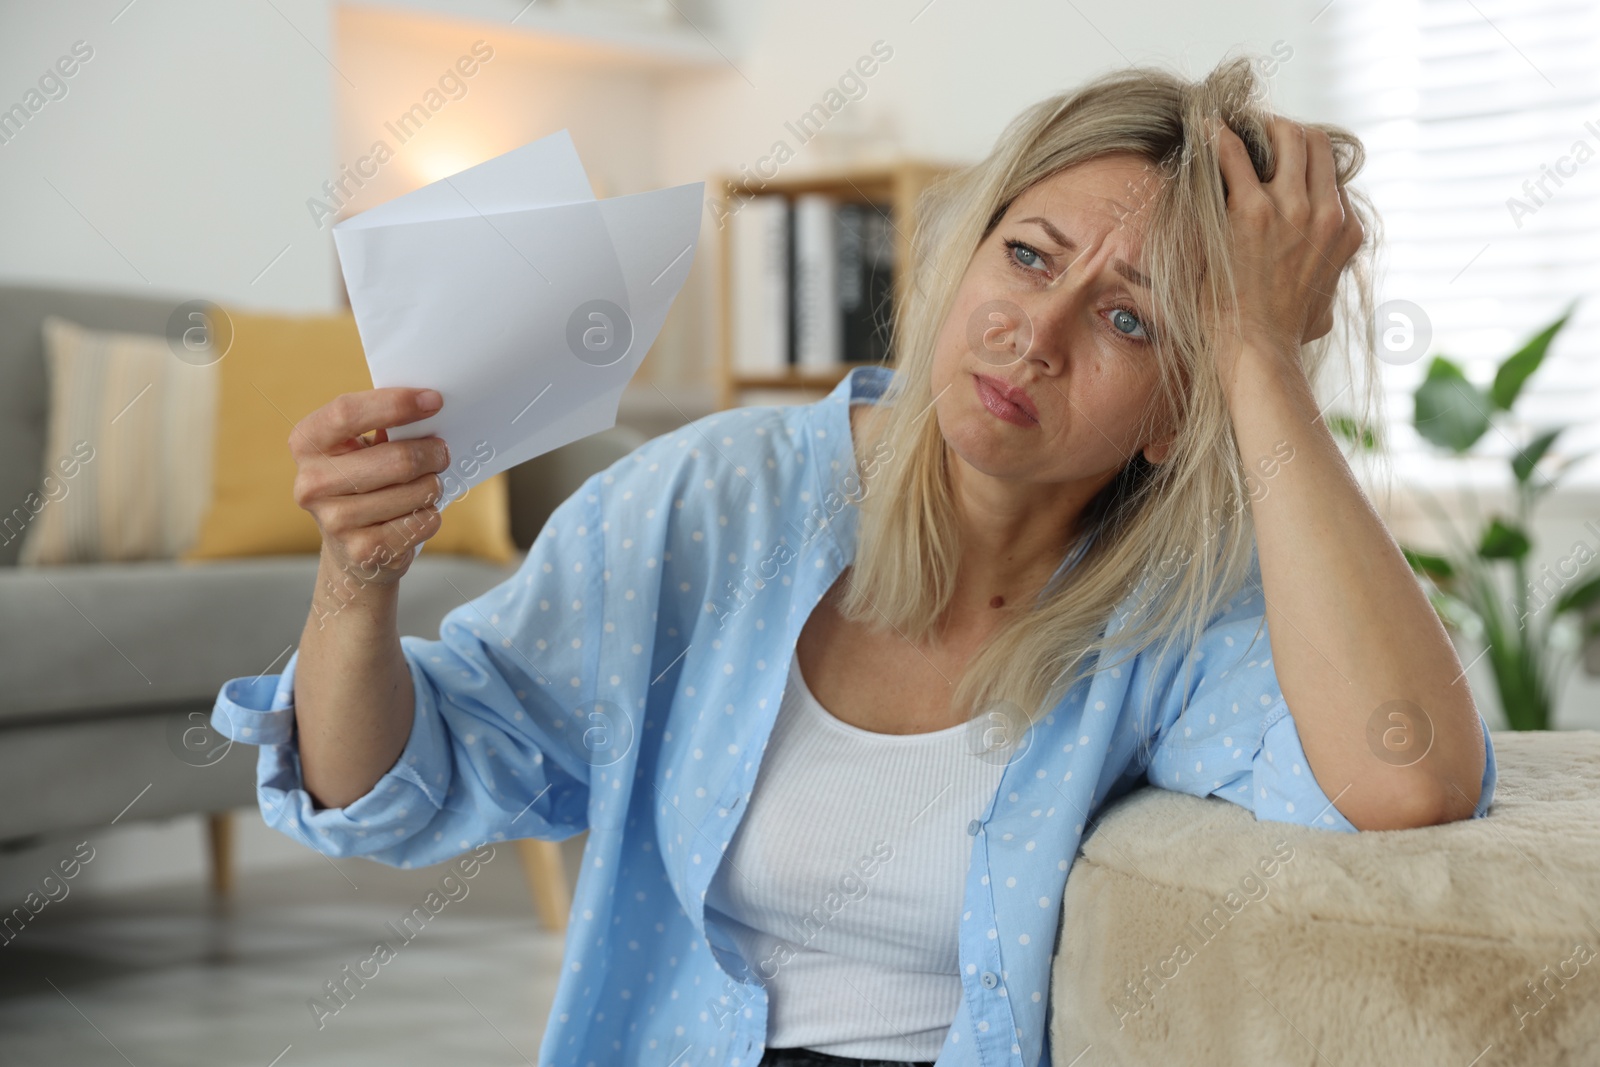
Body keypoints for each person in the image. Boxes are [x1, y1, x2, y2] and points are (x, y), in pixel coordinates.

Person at [210, 54, 1496, 1067]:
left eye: (1126, 319)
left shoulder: (1169, 612)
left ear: (1178, 412)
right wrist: (354, 581)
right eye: (1027, 254)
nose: (1033, 335)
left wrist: (1263, 357)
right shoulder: (713, 500)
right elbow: (389, 786)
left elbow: (1409, 773)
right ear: (966, 249)